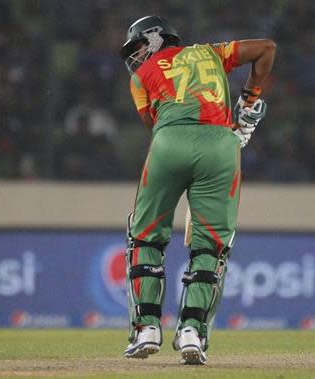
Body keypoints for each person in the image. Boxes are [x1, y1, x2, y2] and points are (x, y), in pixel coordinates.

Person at [119, 15, 275, 364]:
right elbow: (267, 49)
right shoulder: (213, 52)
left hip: (169, 142)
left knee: (145, 237)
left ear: (157, 39)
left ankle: (146, 328)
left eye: (139, 46)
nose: (136, 56)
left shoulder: (141, 76)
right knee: (211, 247)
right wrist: (248, 101)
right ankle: (192, 332)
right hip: (222, 146)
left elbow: (154, 124)